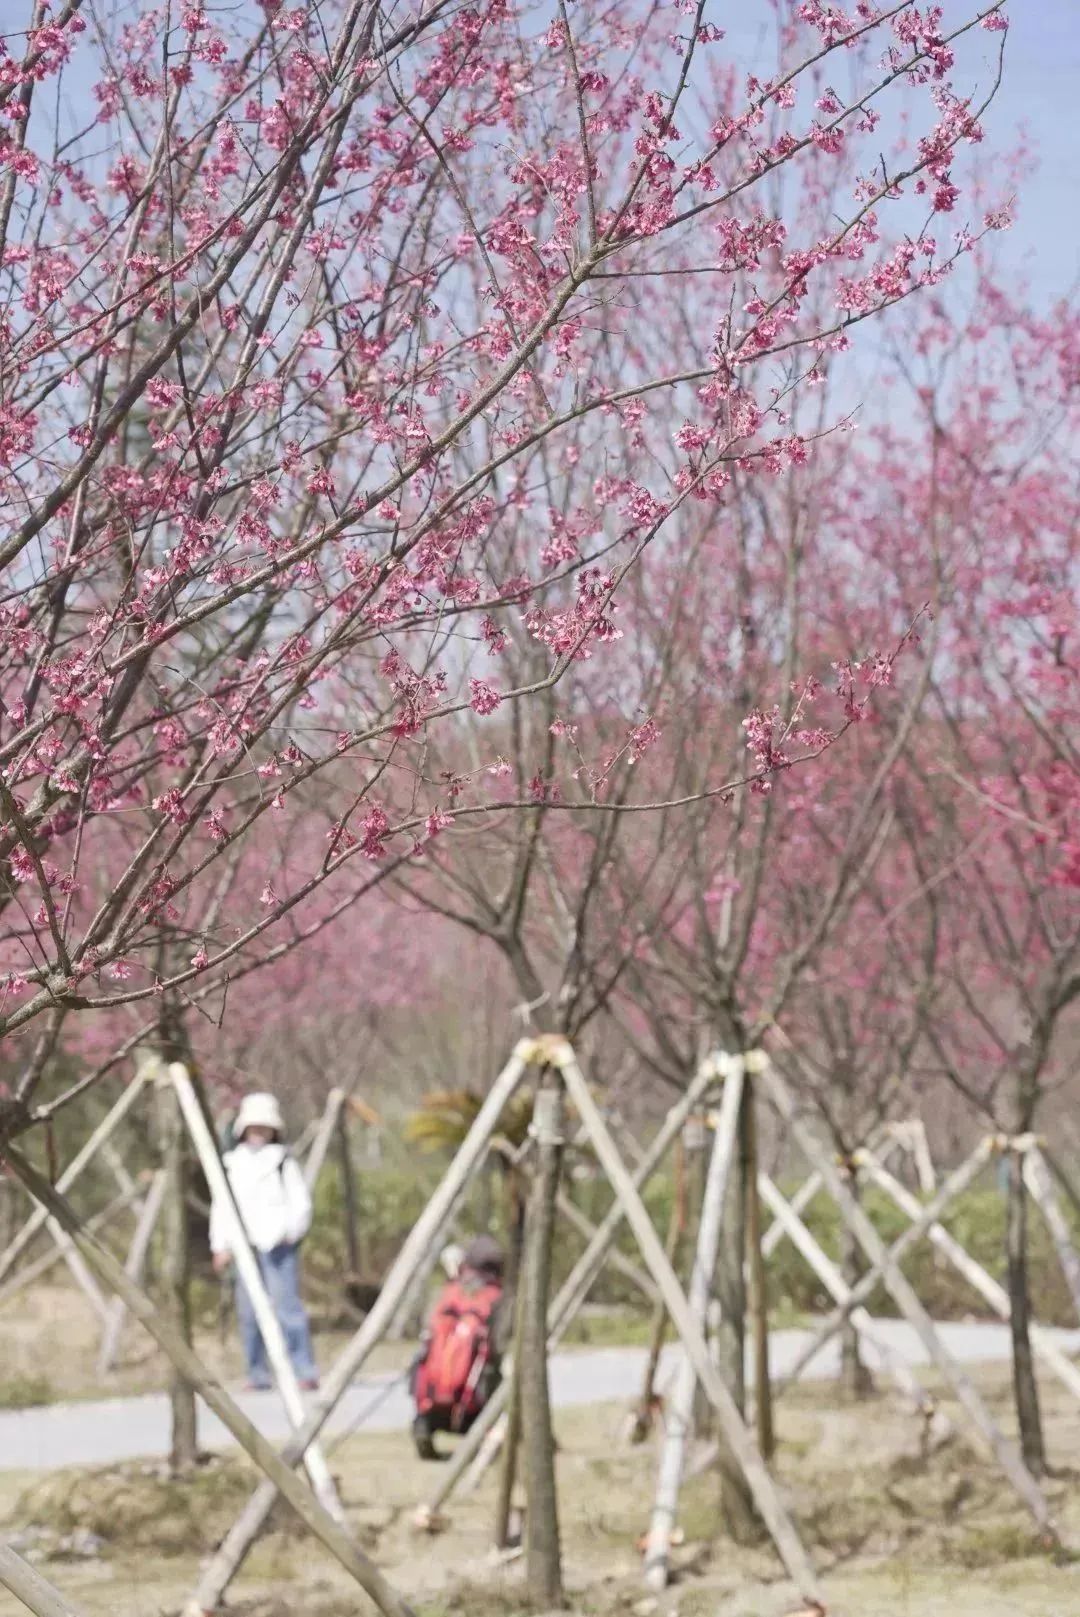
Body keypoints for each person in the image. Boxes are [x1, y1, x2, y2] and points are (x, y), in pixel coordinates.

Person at [209, 1091, 319, 1391]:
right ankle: (257, 1372)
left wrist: (292, 1230)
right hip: (245, 1246)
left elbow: (300, 1202)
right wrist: (220, 1245)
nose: (258, 1133)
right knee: (249, 1312)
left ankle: (303, 1369)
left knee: (287, 1308)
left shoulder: (283, 1161)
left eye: (263, 1127)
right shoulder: (232, 1164)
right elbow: (223, 1206)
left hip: (278, 1243)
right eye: (253, 1127)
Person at [410, 1234, 510, 1460]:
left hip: (433, 1394)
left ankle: (424, 1425)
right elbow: (500, 1344)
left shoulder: (449, 1292)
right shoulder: (496, 1298)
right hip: (474, 1399)